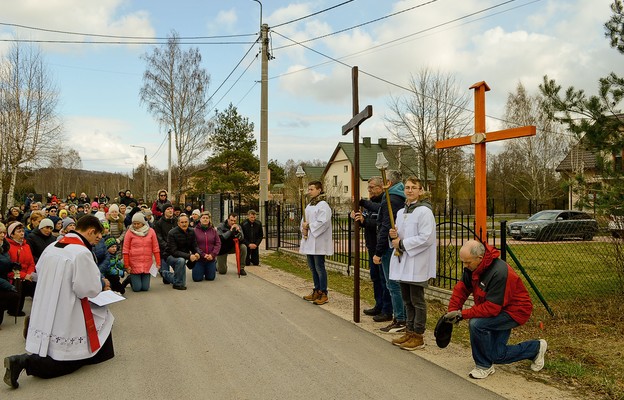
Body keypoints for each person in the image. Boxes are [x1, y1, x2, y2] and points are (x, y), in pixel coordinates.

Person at [3, 215, 114, 389]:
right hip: (67, 306)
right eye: (97, 237)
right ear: (91, 231)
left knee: (53, 343)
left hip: (47, 302)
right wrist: (101, 283)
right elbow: (87, 289)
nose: (96, 242)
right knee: (69, 358)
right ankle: (23, 362)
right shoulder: (81, 253)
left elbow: (39, 271)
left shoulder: (53, 246)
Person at [444, 239, 547, 379]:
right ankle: (535, 348)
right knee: (497, 355)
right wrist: (452, 311)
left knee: (477, 324)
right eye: (463, 262)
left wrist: (462, 314)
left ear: (479, 258)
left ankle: (483, 366)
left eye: (467, 262)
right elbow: (461, 289)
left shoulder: (499, 272)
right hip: (499, 308)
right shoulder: (472, 268)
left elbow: (491, 308)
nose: (465, 266)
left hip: (514, 311)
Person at [388, 177, 436, 350]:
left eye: (413, 188)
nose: (409, 190)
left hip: (418, 262)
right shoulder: (402, 212)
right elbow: (399, 235)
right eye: (407, 187)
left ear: (420, 191)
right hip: (404, 262)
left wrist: (401, 244)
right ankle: (409, 331)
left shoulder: (424, 211)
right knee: (407, 299)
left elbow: (426, 238)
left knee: (417, 300)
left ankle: (418, 335)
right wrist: (393, 235)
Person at [352, 176, 392, 319]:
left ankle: (387, 309)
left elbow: (381, 224)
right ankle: (378, 305)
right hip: (371, 245)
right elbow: (369, 221)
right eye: (368, 187)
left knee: (384, 279)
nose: (369, 190)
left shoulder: (384, 203)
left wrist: (365, 220)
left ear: (381, 187)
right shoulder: (370, 204)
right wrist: (359, 219)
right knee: (375, 277)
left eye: (371, 187)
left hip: (381, 247)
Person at [373, 170, 407, 333]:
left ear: (390, 183)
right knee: (396, 284)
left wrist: (378, 252)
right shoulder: (397, 197)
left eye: (384, 181)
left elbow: (385, 225)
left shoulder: (391, 199)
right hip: (394, 244)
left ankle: (400, 318)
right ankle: (401, 317)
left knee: (393, 284)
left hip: (389, 247)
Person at [299, 180, 333, 306]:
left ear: (319, 190)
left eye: (312, 189)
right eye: (309, 189)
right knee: (313, 268)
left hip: (319, 242)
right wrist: (303, 227)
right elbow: (304, 219)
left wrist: (310, 226)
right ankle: (316, 290)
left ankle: (323, 292)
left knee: (319, 267)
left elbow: (323, 222)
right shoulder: (310, 205)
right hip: (309, 241)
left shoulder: (323, 205)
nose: (309, 191)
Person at [122, 213, 160, 292]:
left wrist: (158, 262)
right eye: (134, 223)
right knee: (137, 289)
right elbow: (125, 249)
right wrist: (127, 265)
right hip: (134, 263)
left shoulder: (151, 231)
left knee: (145, 288)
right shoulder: (129, 232)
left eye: (138, 223)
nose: (135, 225)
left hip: (147, 263)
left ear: (143, 223)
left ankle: (135, 279)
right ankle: (130, 279)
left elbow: (156, 248)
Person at [6, 222, 37, 318]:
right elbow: (10, 267)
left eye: (23, 231)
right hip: (14, 276)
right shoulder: (8, 247)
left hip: (27, 275)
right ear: (12, 234)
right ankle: (13, 309)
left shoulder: (26, 246)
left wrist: (29, 274)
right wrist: (24, 275)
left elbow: (31, 263)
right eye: (19, 231)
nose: (22, 233)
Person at [165, 214, 200, 290]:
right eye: (182, 222)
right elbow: (173, 251)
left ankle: (169, 276)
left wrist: (197, 253)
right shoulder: (172, 233)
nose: (184, 224)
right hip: (169, 256)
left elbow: (195, 245)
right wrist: (189, 256)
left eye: (186, 222)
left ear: (188, 222)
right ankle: (175, 282)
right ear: (178, 223)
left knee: (182, 261)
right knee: (181, 260)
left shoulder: (192, 231)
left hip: (184, 255)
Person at [0, 223, 20, 326]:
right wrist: (8, 286)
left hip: (3, 280)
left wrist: (13, 266)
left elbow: (4, 266)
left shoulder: (4, 248)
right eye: (0, 233)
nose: (2, 235)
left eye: (4, 232)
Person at [193, 211, 221, 282]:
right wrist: (203, 254)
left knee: (210, 278)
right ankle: (200, 270)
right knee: (197, 279)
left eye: (207, 218)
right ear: (200, 219)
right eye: (203, 218)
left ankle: (209, 268)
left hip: (211, 259)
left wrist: (212, 255)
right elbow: (194, 245)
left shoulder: (213, 231)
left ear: (209, 219)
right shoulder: (195, 231)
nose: (205, 219)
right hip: (199, 259)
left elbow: (218, 243)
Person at [154, 203, 177, 281]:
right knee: (165, 279)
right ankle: (165, 273)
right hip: (164, 251)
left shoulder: (177, 221)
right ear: (164, 212)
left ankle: (176, 277)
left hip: (176, 250)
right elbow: (159, 238)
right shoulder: (159, 223)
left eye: (171, 208)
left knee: (179, 271)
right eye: (168, 209)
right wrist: (168, 246)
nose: (170, 210)